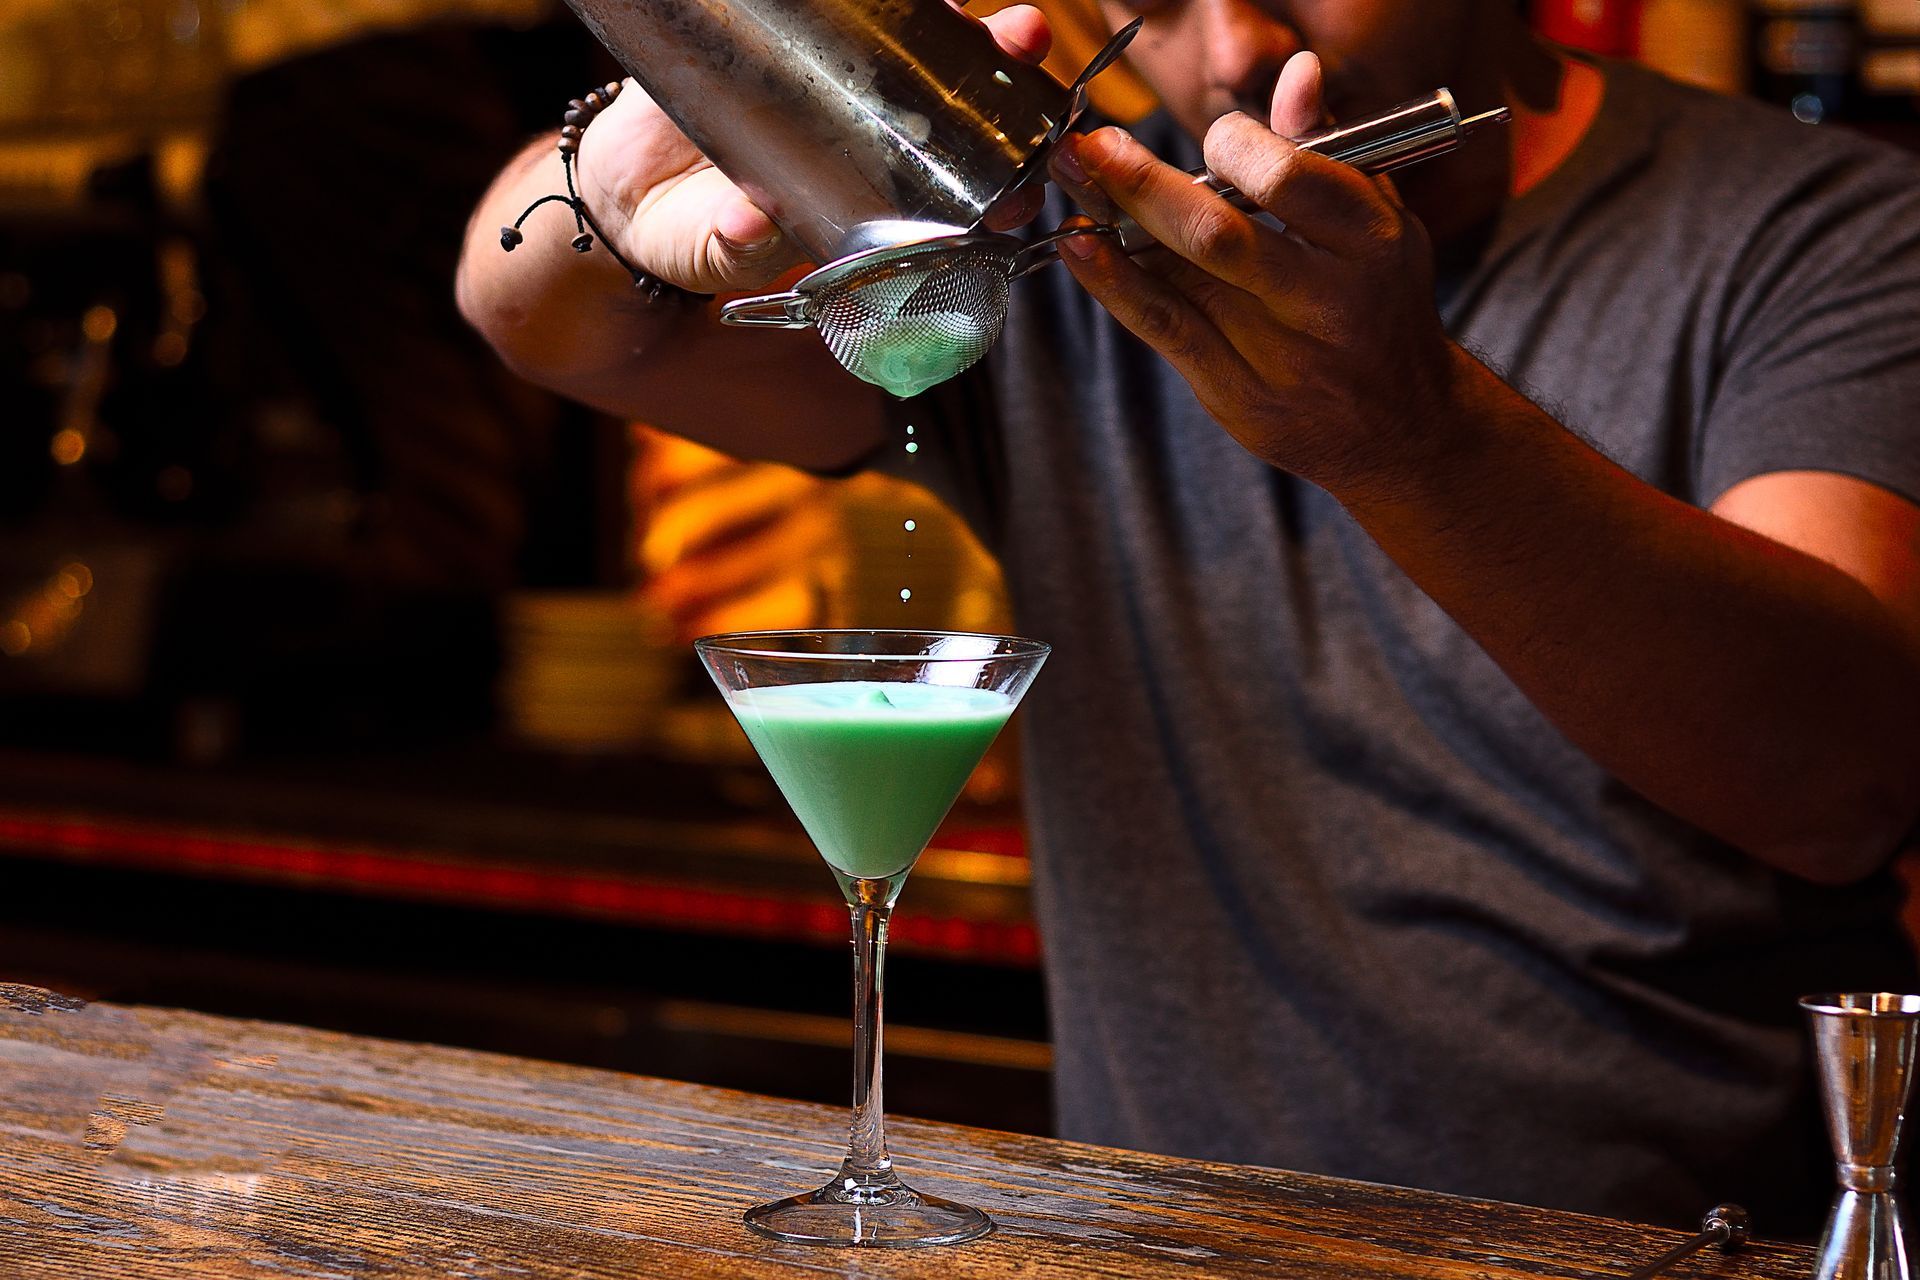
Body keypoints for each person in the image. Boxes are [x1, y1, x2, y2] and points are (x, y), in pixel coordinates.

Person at [456, 0, 1920, 1231]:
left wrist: (1405, 433)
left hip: (1658, 1249)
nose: (1229, 46)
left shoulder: (1821, 233)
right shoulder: (1046, 231)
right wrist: (647, 157)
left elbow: (1839, 783)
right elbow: (530, 316)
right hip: (1156, 1243)